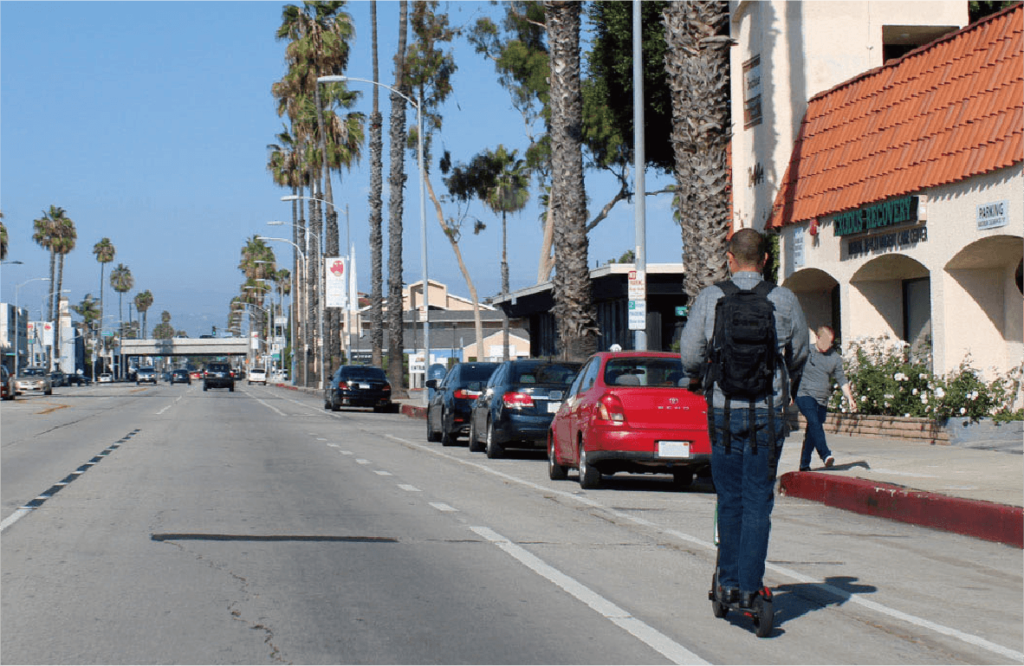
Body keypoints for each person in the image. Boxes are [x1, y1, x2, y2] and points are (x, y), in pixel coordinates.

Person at [679, 228, 808, 609]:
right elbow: (799, 351)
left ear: (730, 258)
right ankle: (752, 586)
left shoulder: (711, 298)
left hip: (722, 412)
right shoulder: (783, 299)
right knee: (758, 501)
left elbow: (690, 354)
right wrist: (785, 381)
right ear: (766, 259)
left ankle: (728, 581)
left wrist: (699, 376)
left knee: (730, 498)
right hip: (768, 413)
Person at [795, 325, 855, 471]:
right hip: (804, 394)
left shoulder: (834, 357)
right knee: (814, 422)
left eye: (830, 342)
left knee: (812, 431)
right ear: (817, 337)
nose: (827, 345)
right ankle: (825, 454)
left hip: (822, 399)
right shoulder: (806, 352)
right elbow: (792, 370)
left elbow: (841, 379)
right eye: (825, 341)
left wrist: (850, 398)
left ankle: (804, 465)